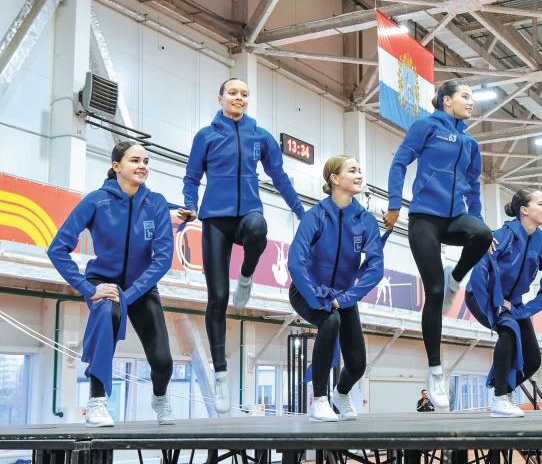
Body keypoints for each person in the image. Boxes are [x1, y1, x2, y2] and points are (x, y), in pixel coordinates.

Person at [178, 78, 306, 414]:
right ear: (220, 97)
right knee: (218, 298)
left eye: (245, 94)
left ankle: (247, 275)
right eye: (233, 93)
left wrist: (301, 212)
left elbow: (279, 177)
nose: (239, 98)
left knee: (258, 227)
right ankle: (220, 374)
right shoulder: (206, 136)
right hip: (215, 220)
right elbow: (191, 177)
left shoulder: (260, 137)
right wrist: (190, 204)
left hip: (248, 213)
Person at [48, 141, 175, 427]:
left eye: (145, 161)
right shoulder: (96, 201)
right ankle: (96, 400)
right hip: (103, 283)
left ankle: (160, 397)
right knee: (107, 313)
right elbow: (57, 248)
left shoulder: (156, 203)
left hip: (141, 286)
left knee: (163, 361)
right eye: (135, 160)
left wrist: (130, 294)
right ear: (116, 166)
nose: (142, 166)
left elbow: (163, 259)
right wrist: (87, 288)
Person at [385, 79, 493, 410]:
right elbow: (399, 161)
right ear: (447, 100)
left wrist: (478, 221)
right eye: (465, 96)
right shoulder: (427, 127)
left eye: (472, 97)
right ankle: (435, 371)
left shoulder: (470, 143)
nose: (471, 102)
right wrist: (394, 204)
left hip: (455, 218)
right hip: (425, 220)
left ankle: (455, 278)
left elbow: (473, 187)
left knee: (484, 234)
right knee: (433, 292)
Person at [288, 155, 384, 422]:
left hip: (343, 296)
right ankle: (318, 400)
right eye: (352, 170)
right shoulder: (315, 216)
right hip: (307, 291)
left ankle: (340, 394)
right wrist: (316, 298)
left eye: (360, 170)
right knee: (330, 321)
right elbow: (296, 262)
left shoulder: (365, 221)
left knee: (357, 365)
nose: (359, 175)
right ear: (334, 178)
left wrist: (346, 298)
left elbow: (375, 267)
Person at [465, 188, 542, 418]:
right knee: (507, 331)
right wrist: (496, 305)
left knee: (533, 360)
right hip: (481, 295)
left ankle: (503, 390)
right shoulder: (501, 236)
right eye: (541, 204)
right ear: (524, 210)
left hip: (514, 304)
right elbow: (479, 272)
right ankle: (500, 398)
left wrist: (522, 311)